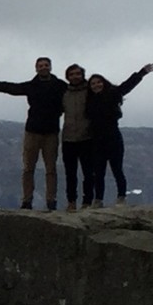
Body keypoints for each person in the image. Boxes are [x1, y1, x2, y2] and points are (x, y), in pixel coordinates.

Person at [0, 57, 68, 209]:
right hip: (32, 132)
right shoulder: (32, 86)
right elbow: (9, 88)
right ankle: (27, 201)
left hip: (51, 133)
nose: (43, 68)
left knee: (51, 169)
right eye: (40, 66)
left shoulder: (61, 86)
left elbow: (77, 94)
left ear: (51, 67)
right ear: (36, 68)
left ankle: (51, 201)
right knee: (28, 168)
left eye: (46, 65)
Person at [83, 64, 153, 206]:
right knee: (98, 171)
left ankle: (121, 197)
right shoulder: (88, 101)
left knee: (117, 169)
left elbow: (127, 85)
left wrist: (142, 72)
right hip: (96, 140)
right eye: (93, 84)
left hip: (113, 137)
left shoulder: (113, 94)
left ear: (104, 83)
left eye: (99, 82)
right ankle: (98, 200)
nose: (96, 85)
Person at [57, 64, 92, 210]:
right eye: (72, 74)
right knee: (70, 173)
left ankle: (87, 202)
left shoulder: (91, 91)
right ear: (67, 77)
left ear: (83, 75)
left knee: (89, 173)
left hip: (87, 137)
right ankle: (71, 202)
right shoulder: (64, 93)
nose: (75, 76)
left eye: (78, 73)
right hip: (69, 138)